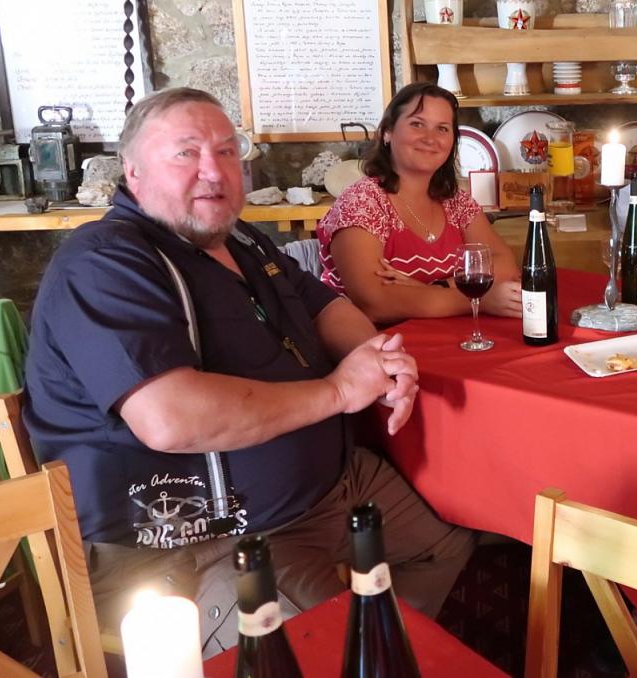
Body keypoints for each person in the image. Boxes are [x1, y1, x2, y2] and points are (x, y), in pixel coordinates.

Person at [24, 87, 474, 655]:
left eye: (226, 152)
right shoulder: (105, 263)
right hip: (204, 540)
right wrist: (340, 391)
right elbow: (170, 419)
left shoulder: (239, 237)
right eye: (186, 153)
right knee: (324, 655)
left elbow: (323, 305)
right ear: (133, 172)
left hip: (328, 486)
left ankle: (383, 653)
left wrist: (377, 358)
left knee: (448, 541)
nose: (213, 171)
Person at [317, 82, 521, 324]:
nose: (430, 138)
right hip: (373, 341)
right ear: (387, 132)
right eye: (417, 124)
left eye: (442, 129)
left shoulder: (455, 201)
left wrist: (439, 287)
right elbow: (374, 303)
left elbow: (504, 265)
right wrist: (476, 300)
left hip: (442, 333)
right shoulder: (361, 203)